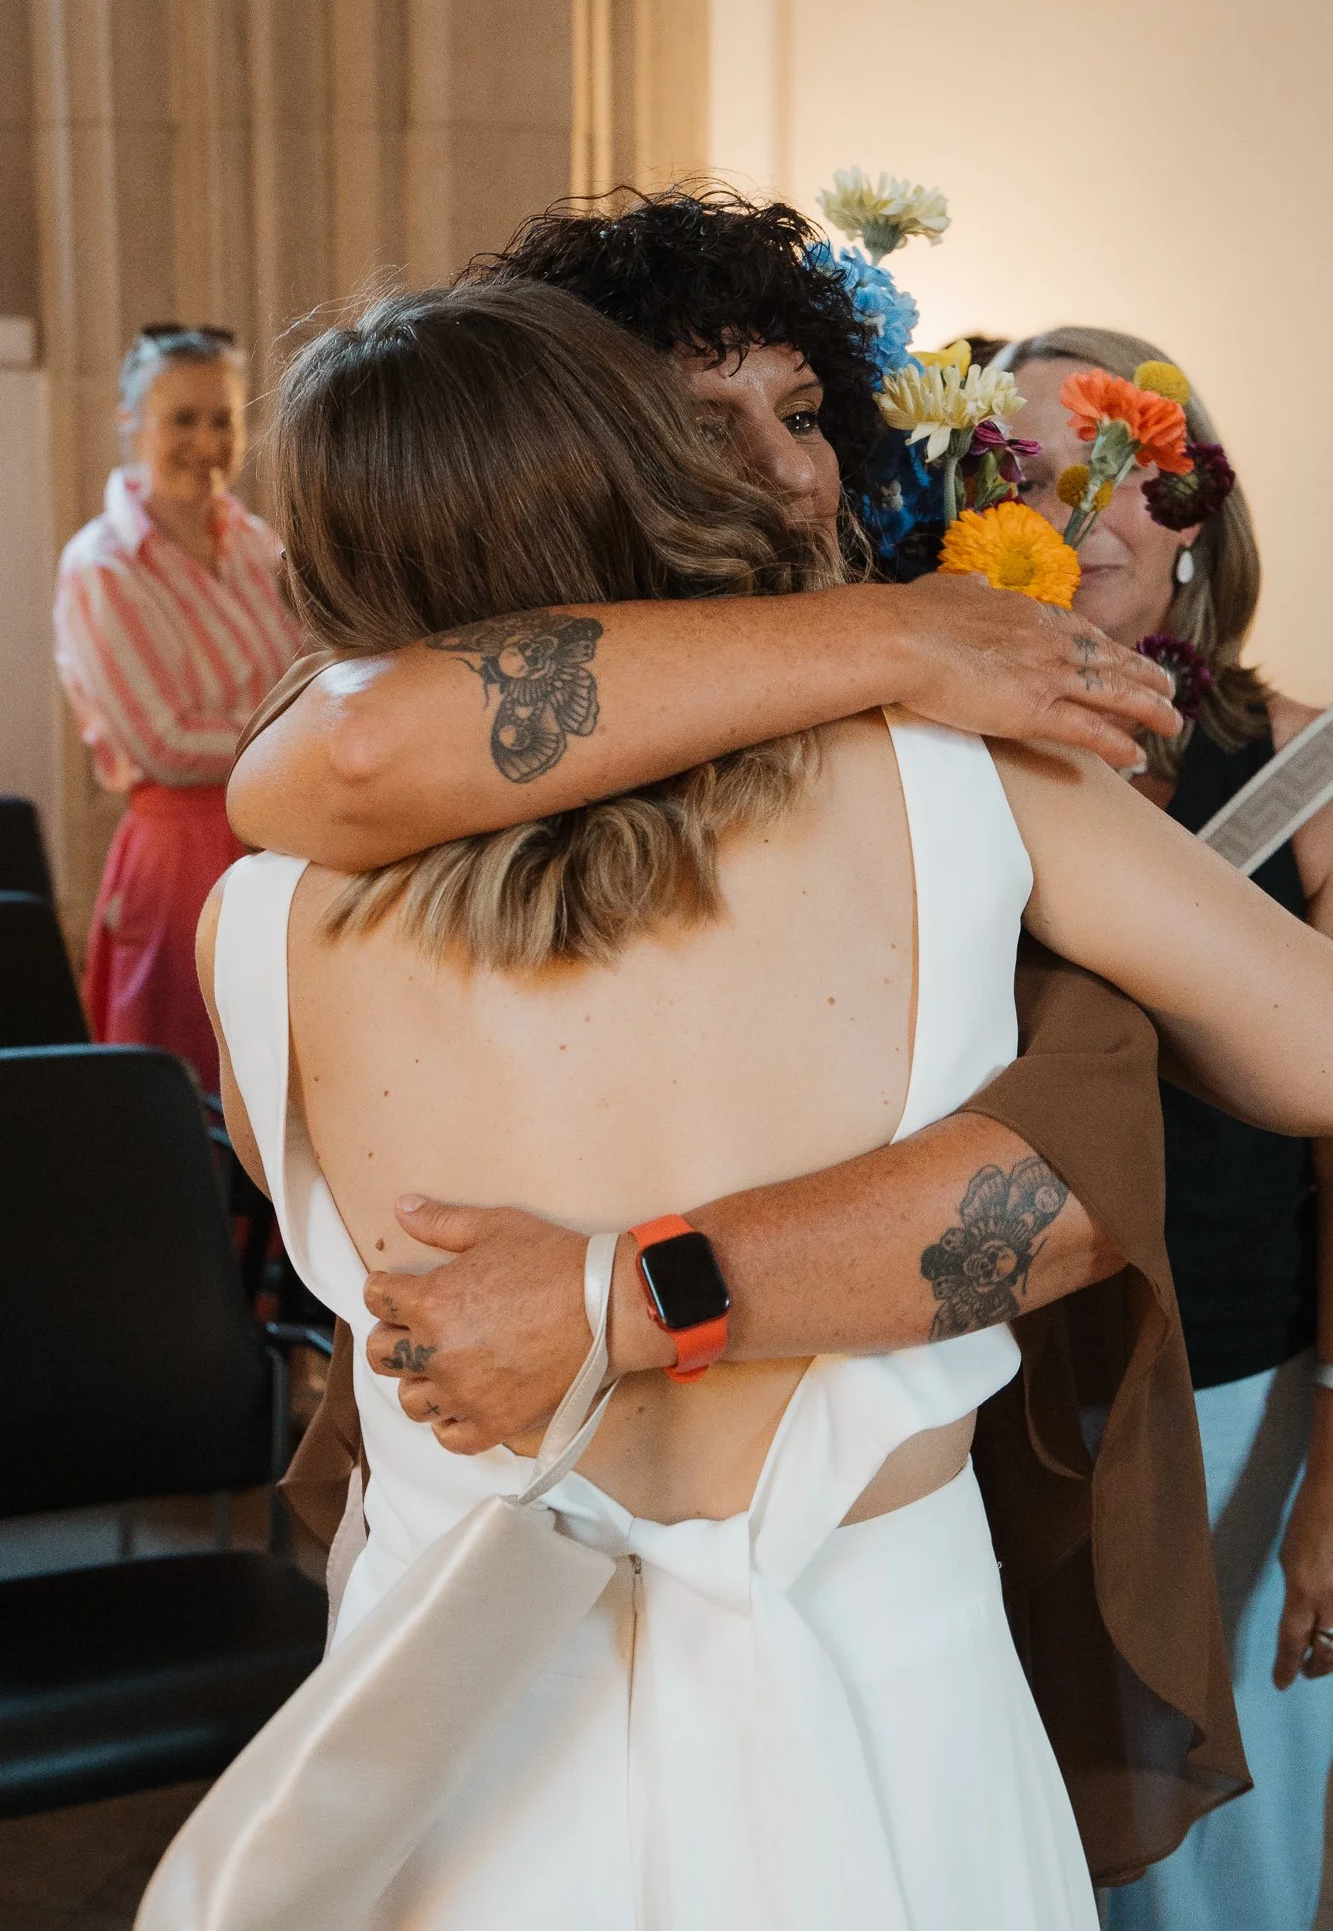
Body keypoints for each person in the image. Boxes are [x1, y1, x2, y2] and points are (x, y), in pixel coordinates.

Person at [199, 280, 1333, 1929]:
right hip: (889, 1679)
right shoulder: (957, 786)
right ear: (643, 485)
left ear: (320, 566)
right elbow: (1306, 1051)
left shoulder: (259, 918)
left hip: (461, 1698)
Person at [1000, 324, 1333, 1931]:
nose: (1089, 516)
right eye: (1035, 474)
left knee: (1217, 1888)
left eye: (1138, 478)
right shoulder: (921, 758)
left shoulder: (1307, 769)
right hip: (975, 1402)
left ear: (1202, 515)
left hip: (1228, 1400)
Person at [53, 325, 302, 1091]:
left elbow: (312, 670)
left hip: (282, 837)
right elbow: (162, 742)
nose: (206, 441)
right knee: (191, 1090)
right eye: (182, 419)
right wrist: (303, 738)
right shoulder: (101, 566)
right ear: (130, 423)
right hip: (179, 855)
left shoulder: (258, 543)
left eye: (222, 419)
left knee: (282, 1083)